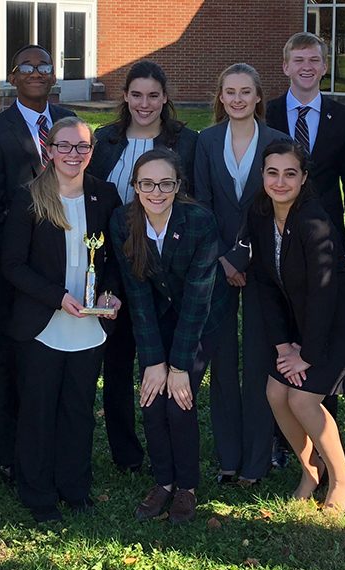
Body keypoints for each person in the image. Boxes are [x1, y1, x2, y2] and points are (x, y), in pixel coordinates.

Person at [246, 141, 345, 509]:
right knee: (276, 393)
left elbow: (325, 293)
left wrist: (307, 354)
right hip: (308, 318)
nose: (280, 181)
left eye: (290, 173)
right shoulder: (259, 215)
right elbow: (263, 282)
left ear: (304, 178)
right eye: (272, 172)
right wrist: (282, 346)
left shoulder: (315, 221)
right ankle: (311, 471)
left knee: (304, 398)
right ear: (262, 175)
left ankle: (343, 478)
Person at [3, 117, 122, 522]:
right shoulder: (29, 198)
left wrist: (109, 292)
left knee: (78, 408)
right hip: (43, 323)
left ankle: (74, 486)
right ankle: (37, 494)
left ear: (92, 152)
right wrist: (58, 298)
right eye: (65, 146)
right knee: (38, 409)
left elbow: (115, 260)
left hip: (89, 324)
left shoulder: (104, 196)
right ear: (49, 150)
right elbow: (13, 266)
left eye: (83, 147)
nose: (74, 154)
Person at [87, 60, 198, 472]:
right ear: (126, 97)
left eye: (153, 95)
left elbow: (194, 202)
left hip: (167, 270)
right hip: (114, 269)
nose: (144, 103)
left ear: (165, 98)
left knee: (163, 358)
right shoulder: (106, 140)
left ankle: (167, 449)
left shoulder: (186, 142)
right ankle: (126, 453)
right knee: (117, 362)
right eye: (136, 94)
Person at [0, 45, 76, 488]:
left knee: (55, 359)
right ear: (12, 77)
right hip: (12, 274)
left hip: (67, 267)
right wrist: (16, 262)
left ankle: (54, 443)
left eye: (44, 66)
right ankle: (11, 455)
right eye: (27, 67)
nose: (37, 73)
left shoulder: (70, 123)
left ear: (54, 76)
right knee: (9, 363)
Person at [110, 149, 228, 524]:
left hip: (201, 316)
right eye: (146, 184)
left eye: (165, 184)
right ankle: (163, 481)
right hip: (155, 315)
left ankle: (187, 487)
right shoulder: (122, 222)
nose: (156, 192)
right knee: (150, 397)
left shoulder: (200, 221)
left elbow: (197, 297)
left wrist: (178, 365)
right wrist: (154, 361)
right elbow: (137, 293)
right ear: (135, 187)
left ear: (178, 186)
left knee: (180, 400)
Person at [193, 63, 290, 486]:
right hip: (217, 267)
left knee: (258, 360)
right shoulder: (206, 141)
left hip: (264, 267)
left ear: (257, 98)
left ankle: (257, 461)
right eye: (229, 91)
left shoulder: (277, 142)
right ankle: (228, 459)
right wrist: (223, 259)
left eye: (244, 92)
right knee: (223, 363)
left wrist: (243, 256)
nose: (236, 99)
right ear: (220, 96)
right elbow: (200, 204)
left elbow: (278, 205)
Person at [266, 32, 345, 258]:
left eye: (314, 60)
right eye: (298, 60)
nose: (306, 67)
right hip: (276, 233)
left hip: (328, 233)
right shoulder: (267, 115)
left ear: (324, 67)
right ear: (286, 67)